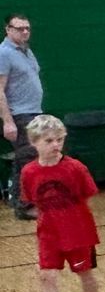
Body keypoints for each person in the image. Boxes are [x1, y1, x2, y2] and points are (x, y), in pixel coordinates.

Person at [20, 118, 105, 292]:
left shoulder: (75, 168)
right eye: (49, 141)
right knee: (46, 276)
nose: (56, 145)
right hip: (48, 234)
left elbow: (87, 195)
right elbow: (33, 201)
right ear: (34, 142)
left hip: (78, 232)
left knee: (84, 272)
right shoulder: (29, 172)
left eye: (59, 139)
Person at [0, 14, 45, 220]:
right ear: (8, 29)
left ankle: (19, 200)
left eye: (27, 28)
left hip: (34, 112)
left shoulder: (26, 50)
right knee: (27, 159)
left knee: (24, 159)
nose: (25, 32)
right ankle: (24, 206)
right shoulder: (4, 53)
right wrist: (8, 121)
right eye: (19, 28)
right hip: (19, 114)